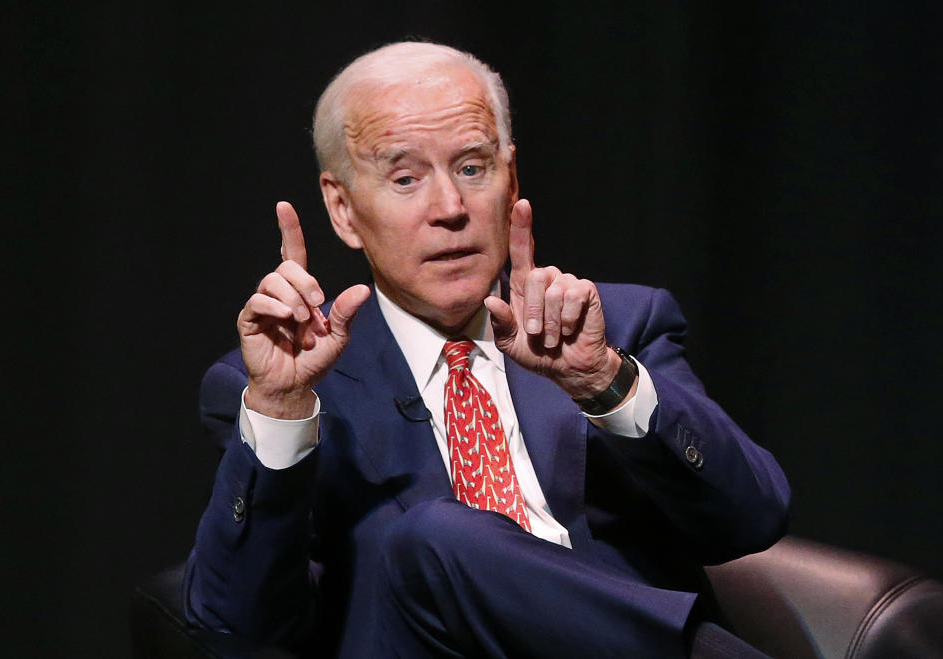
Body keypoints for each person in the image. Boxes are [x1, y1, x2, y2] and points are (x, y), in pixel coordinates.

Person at [184, 41, 790, 658]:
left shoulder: (615, 327)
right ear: (342, 208)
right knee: (434, 537)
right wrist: (280, 409)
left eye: (472, 168)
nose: (450, 209)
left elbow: (752, 519)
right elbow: (239, 626)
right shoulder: (281, 386)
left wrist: (604, 382)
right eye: (405, 179)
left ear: (512, 180)